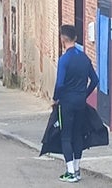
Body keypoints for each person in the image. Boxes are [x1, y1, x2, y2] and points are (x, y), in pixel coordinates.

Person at [53, 25, 99, 183]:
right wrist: (84, 94)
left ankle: (70, 172)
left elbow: (59, 84)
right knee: (77, 135)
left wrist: (55, 98)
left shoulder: (64, 59)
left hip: (66, 102)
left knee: (66, 136)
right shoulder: (85, 58)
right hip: (80, 102)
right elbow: (95, 80)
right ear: (76, 38)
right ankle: (77, 169)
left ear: (62, 39)